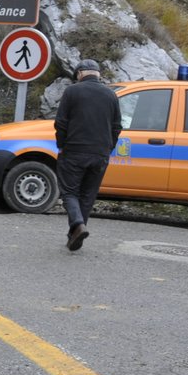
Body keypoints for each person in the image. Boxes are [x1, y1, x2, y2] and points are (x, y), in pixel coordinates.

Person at [54, 58, 122, 251]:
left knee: (69, 192)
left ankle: (77, 223)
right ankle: (74, 235)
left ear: (80, 74)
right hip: (100, 154)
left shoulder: (72, 91)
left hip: (74, 151)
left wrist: (61, 145)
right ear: (98, 74)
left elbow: (61, 122)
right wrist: (108, 147)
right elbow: (117, 126)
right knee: (88, 195)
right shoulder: (111, 95)